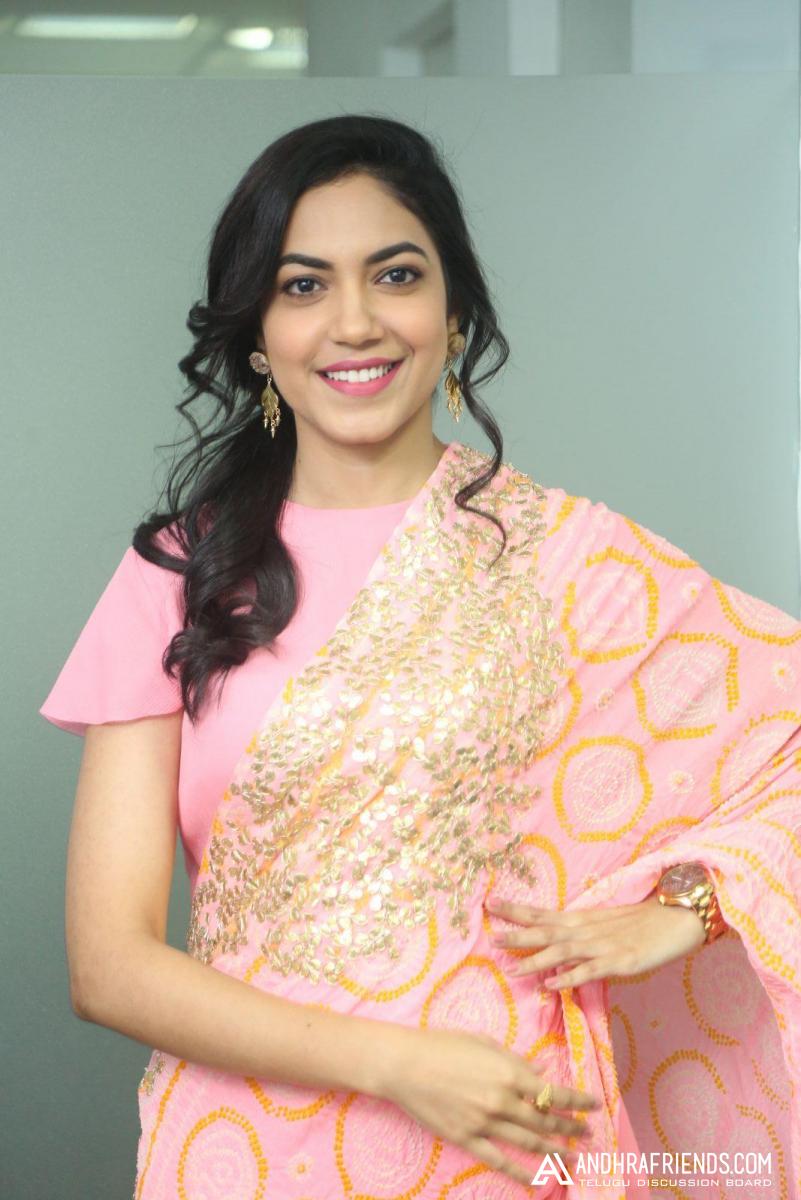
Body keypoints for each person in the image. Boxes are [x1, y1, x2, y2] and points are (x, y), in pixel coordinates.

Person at [39, 114, 800, 1200]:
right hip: (242, 1151)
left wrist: (687, 908)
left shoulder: (567, 558)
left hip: (507, 1137)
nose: (354, 321)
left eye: (395, 275)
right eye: (303, 285)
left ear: (454, 315)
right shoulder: (178, 572)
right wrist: (399, 1065)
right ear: (258, 333)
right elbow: (109, 966)